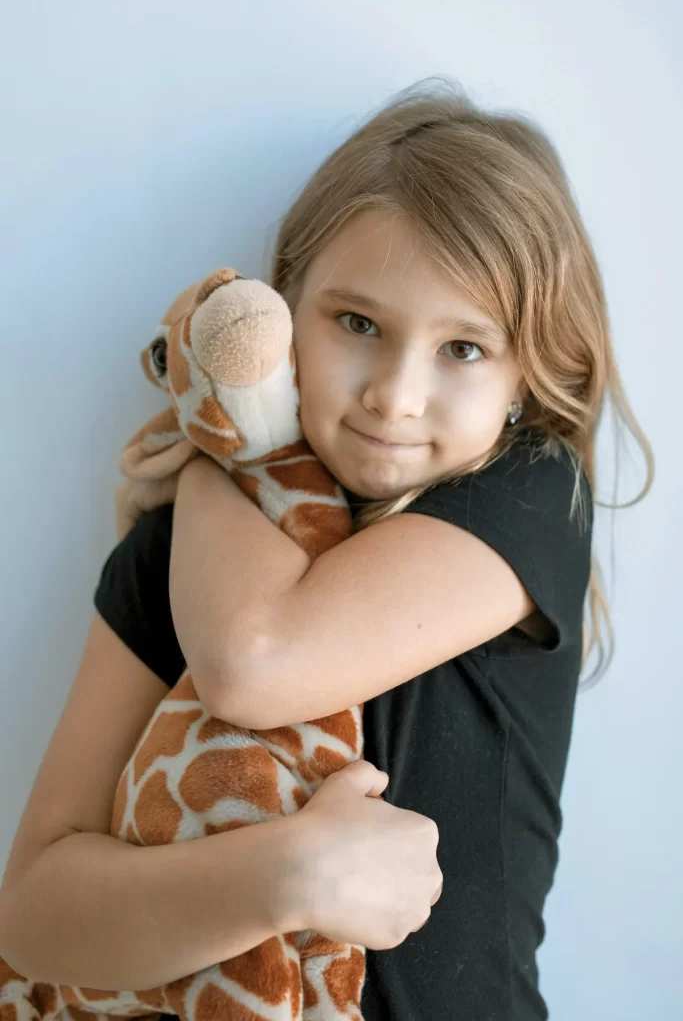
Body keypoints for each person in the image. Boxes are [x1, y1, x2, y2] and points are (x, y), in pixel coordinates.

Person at [0, 79, 652, 1019]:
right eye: (357, 324)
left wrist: (217, 440)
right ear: (281, 310)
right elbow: (30, 911)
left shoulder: (528, 498)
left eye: (462, 349)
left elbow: (255, 661)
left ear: (525, 376)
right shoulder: (177, 551)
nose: (394, 394)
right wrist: (286, 875)